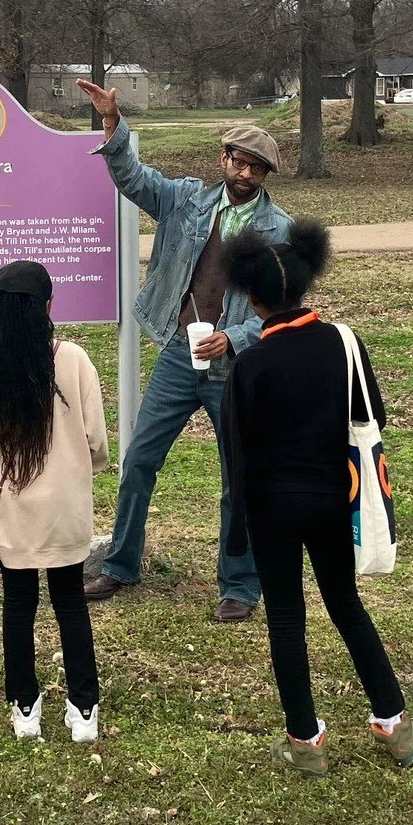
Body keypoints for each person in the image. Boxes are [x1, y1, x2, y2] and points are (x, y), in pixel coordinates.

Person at [75, 78, 292, 623]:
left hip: (236, 370)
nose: (244, 174)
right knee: (140, 460)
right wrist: (113, 124)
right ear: (223, 159)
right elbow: (131, 177)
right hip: (178, 355)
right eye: (238, 162)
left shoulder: (279, 230)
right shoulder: (186, 200)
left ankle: (240, 585)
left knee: (236, 478)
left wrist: (238, 337)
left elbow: (283, 312)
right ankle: (122, 564)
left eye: (255, 169)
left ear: (265, 176)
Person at [219, 218, 413, 777]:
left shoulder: (249, 366)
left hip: (272, 507)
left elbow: (235, 455)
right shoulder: (345, 342)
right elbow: (373, 416)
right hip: (339, 498)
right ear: (306, 284)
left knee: (286, 617)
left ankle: (305, 741)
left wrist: (238, 529)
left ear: (252, 300)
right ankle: (396, 725)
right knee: (346, 606)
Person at [0, 261, 107, 743]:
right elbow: (96, 442)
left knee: (18, 607)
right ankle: (84, 709)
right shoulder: (74, 360)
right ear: (46, 308)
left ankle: (25, 707)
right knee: (70, 604)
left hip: (13, 511)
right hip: (66, 508)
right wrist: (77, 472)